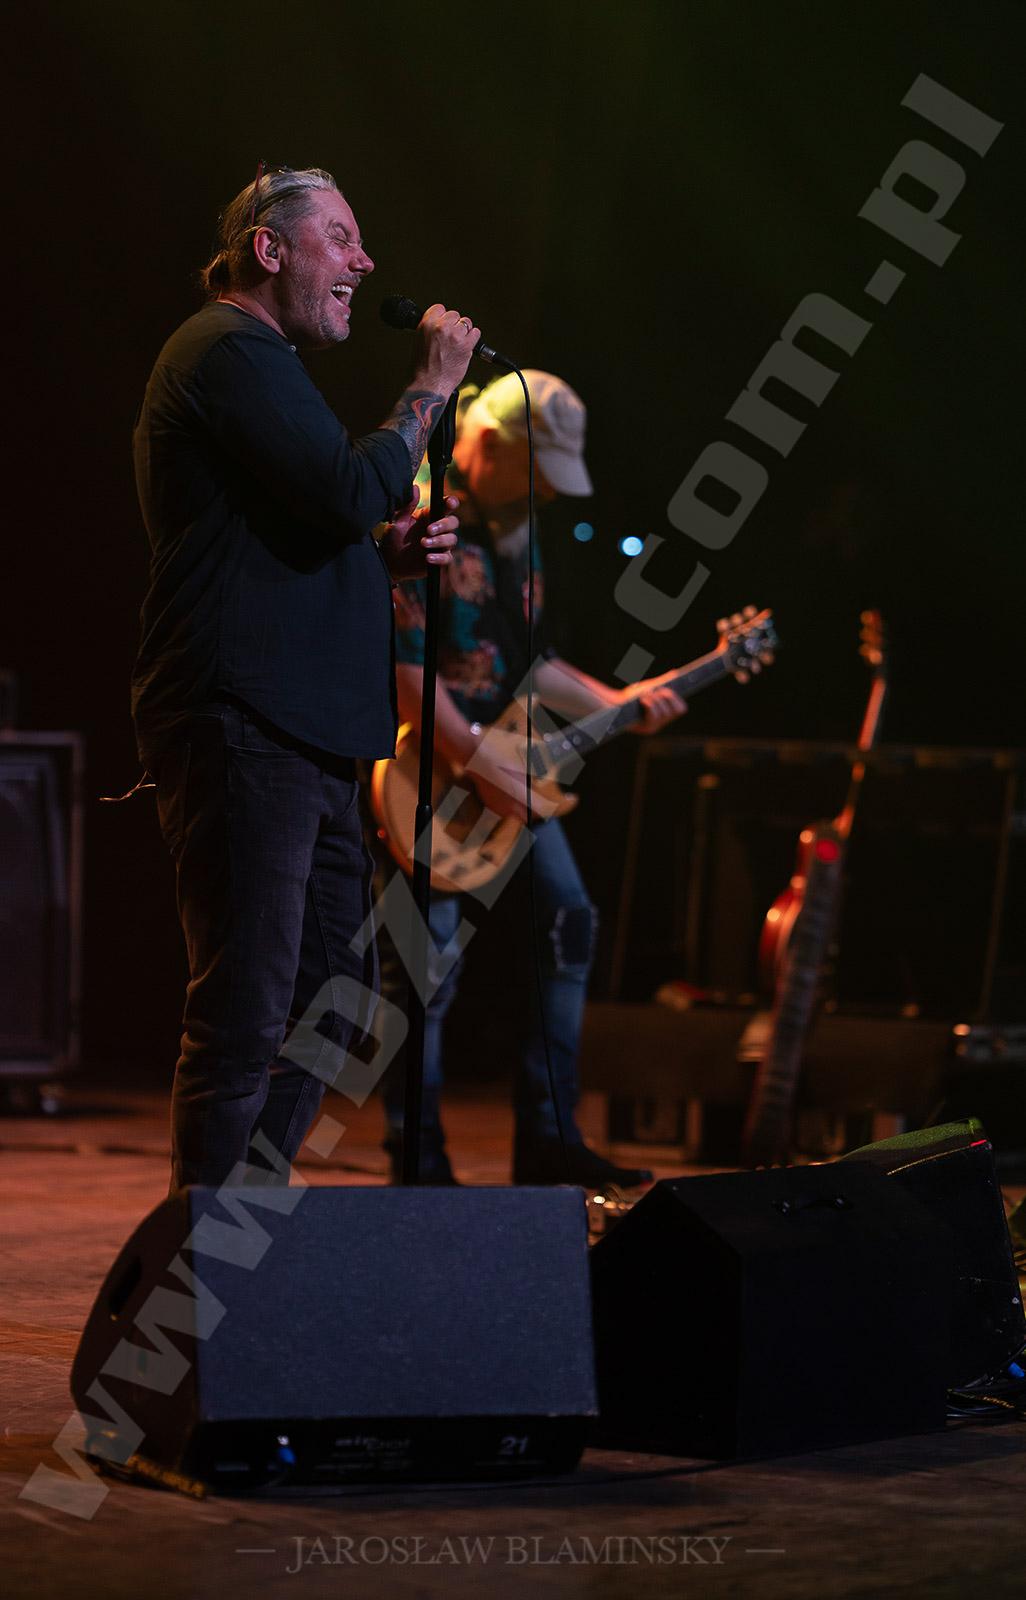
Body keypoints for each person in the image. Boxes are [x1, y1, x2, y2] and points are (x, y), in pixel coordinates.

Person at [132, 165, 481, 1191]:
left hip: (302, 732)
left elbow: (296, 528)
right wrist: (430, 386)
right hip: (245, 720)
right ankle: (204, 1257)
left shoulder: (259, 362)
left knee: (339, 1002)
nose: (364, 262)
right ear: (269, 249)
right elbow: (347, 488)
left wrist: (380, 558)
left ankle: (243, 1216)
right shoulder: (226, 349)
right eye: (341, 237)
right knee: (247, 1009)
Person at [378, 370, 687, 1187]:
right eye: (537, 473)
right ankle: (419, 1159)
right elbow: (404, 670)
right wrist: (474, 761)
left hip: (502, 770)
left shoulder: (520, 537)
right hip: (426, 774)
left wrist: (620, 704)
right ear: (487, 445)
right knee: (427, 969)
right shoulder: (420, 512)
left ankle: (550, 1142)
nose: (546, 493)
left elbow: (530, 665)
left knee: (567, 922)